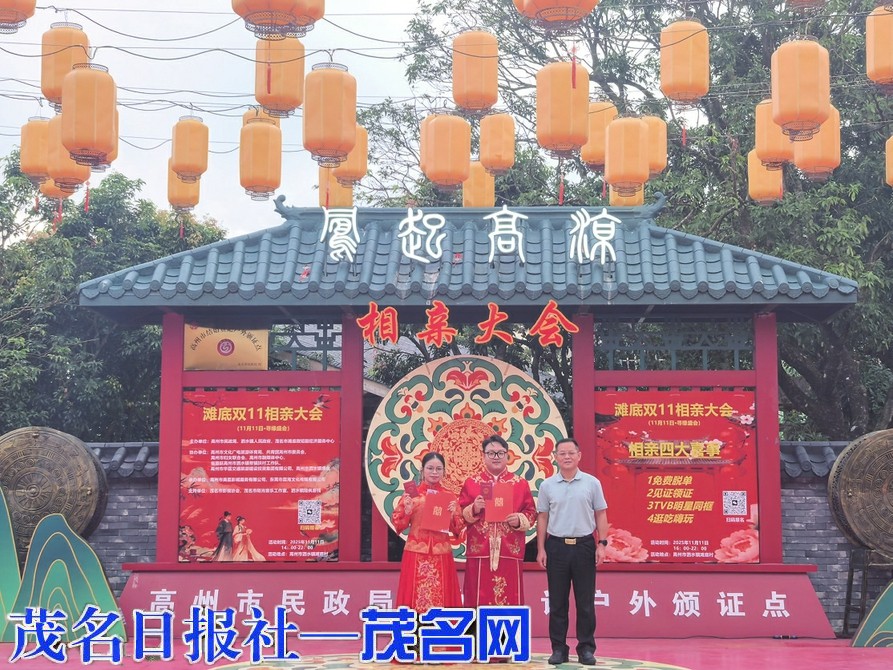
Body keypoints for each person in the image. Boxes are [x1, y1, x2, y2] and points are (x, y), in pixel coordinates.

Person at [536, 438, 609, 666]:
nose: (567, 457)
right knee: (557, 602)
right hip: (556, 547)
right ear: (555, 457)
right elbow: (542, 517)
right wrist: (541, 548)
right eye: (562, 453)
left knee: (585, 602)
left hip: (584, 546)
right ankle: (558, 648)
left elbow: (601, 514)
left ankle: (586, 648)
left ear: (579, 456)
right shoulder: (547, 485)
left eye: (571, 453)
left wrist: (602, 544)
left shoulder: (592, 483)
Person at [459, 434, 536, 607]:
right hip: (480, 550)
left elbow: (531, 512)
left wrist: (519, 520)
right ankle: (478, 626)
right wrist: (474, 508)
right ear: (483, 455)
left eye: (500, 453)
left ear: (507, 455)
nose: (496, 457)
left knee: (509, 596)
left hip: (509, 549)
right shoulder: (471, 483)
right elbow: (459, 514)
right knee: (477, 596)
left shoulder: (520, 483)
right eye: (491, 453)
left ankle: (507, 626)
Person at [391, 452, 463, 613]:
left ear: (444, 471)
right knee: (414, 594)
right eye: (430, 468)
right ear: (422, 470)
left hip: (441, 554)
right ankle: (414, 625)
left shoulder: (449, 496)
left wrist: (453, 515)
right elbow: (398, 525)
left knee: (442, 593)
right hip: (416, 552)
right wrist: (407, 511)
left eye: (438, 469)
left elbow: (458, 530)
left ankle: (441, 626)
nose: (434, 472)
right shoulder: (412, 495)